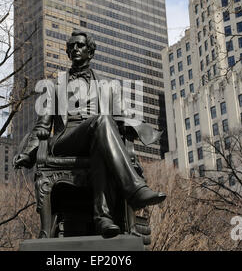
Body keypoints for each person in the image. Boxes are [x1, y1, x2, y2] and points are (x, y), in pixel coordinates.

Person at [15, 30, 166, 238]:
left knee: (101, 145)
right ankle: (136, 189)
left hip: (98, 140)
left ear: (91, 52)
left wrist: (136, 127)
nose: (75, 49)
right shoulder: (53, 86)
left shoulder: (110, 86)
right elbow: (42, 125)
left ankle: (103, 219)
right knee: (103, 120)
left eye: (80, 45)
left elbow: (123, 115)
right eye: (72, 47)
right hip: (65, 140)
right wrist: (28, 152)